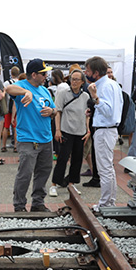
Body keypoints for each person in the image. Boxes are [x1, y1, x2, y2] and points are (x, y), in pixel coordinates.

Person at [5, 59, 56, 212]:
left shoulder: (45, 90)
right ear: (34, 74)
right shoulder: (22, 86)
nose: (46, 76)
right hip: (28, 138)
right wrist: (26, 92)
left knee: (44, 172)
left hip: (46, 138)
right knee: (25, 174)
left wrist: (51, 112)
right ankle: (19, 205)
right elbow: (8, 89)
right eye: (43, 73)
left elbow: (54, 110)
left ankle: (38, 203)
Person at [85, 56, 123, 210]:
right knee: (108, 168)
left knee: (104, 169)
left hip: (105, 130)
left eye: (87, 71)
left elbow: (108, 110)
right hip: (108, 129)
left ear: (95, 73)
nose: (85, 73)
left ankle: (106, 203)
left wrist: (95, 98)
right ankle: (109, 201)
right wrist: (94, 109)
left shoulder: (104, 86)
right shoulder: (112, 84)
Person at [49, 69, 90, 197]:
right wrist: (57, 130)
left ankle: (72, 184)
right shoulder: (63, 93)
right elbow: (57, 112)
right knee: (62, 158)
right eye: (72, 79)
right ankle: (54, 184)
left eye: (77, 79)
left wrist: (88, 130)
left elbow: (87, 115)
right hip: (66, 130)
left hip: (80, 132)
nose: (74, 82)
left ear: (82, 82)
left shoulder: (86, 96)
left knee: (77, 160)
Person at [1, 66, 21, 153]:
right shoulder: (20, 83)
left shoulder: (6, 83)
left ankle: (4, 146)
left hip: (8, 106)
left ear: (11, 74)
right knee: (15, 127)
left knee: (6, 127)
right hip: (17, 106)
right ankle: (16, 146)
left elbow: (3, 94)